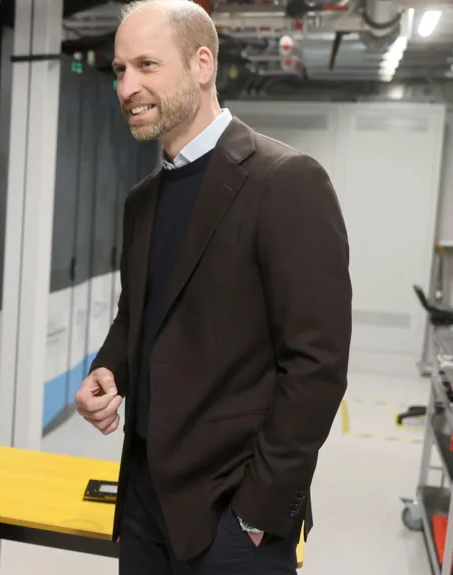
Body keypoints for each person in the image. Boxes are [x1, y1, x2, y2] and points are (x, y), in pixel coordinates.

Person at [74, 1, 351, 573]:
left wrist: (256, 516)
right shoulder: (143, 199)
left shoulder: (286, 182)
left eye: (147, 65)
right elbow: (140, 314)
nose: (128, 86)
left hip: (233, 514)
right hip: (146, 503)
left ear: (203, 64)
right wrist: (110, 368)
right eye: (120, 70)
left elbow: (316, 365)